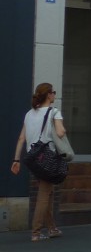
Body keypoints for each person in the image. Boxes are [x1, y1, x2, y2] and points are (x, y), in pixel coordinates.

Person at [11, 82, 67, 242]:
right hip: (47, 157)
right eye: (53, 92)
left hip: (32, 158)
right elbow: (60, 132)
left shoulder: (29, 114)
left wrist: (16, 159)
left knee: (48, 190)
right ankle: (36, 232)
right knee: (44, 194)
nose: (54, 95)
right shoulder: (54, 112)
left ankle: (52, 228)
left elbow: (22, 138)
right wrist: (63, 129)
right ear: (49, 95)